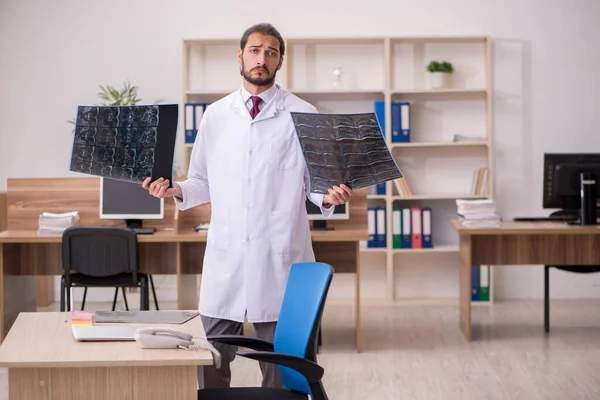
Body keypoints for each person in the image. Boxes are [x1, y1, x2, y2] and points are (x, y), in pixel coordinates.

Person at [142, 22, 352, 389]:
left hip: (281, 262)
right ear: (240, 56)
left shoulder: (305, 114)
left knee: (285, 374)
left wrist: (329, 197)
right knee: (209, 368)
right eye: (255, 50)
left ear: (280, 61)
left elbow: (316, 186)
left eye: (271, 52)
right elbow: (201, 182)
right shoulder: (216, 115)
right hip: (228, 263)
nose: (262, 59)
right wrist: (174, 190)